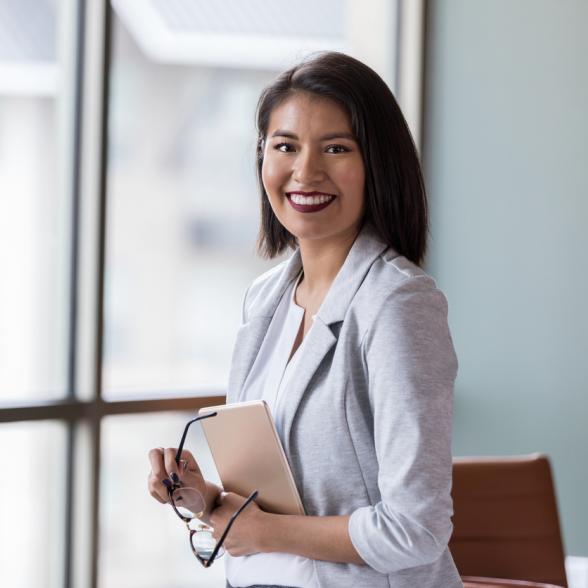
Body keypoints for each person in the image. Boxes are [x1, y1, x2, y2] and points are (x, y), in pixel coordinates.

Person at [148, 51, 462, 588]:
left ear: (377, 164)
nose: (305, 172)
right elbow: (276, 507)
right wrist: (205, 499)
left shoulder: (398, 304)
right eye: (285, 146)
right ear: (262, 158)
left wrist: (265, 533)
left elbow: (415, 529)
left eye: (336, 148)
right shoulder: (264, 300)